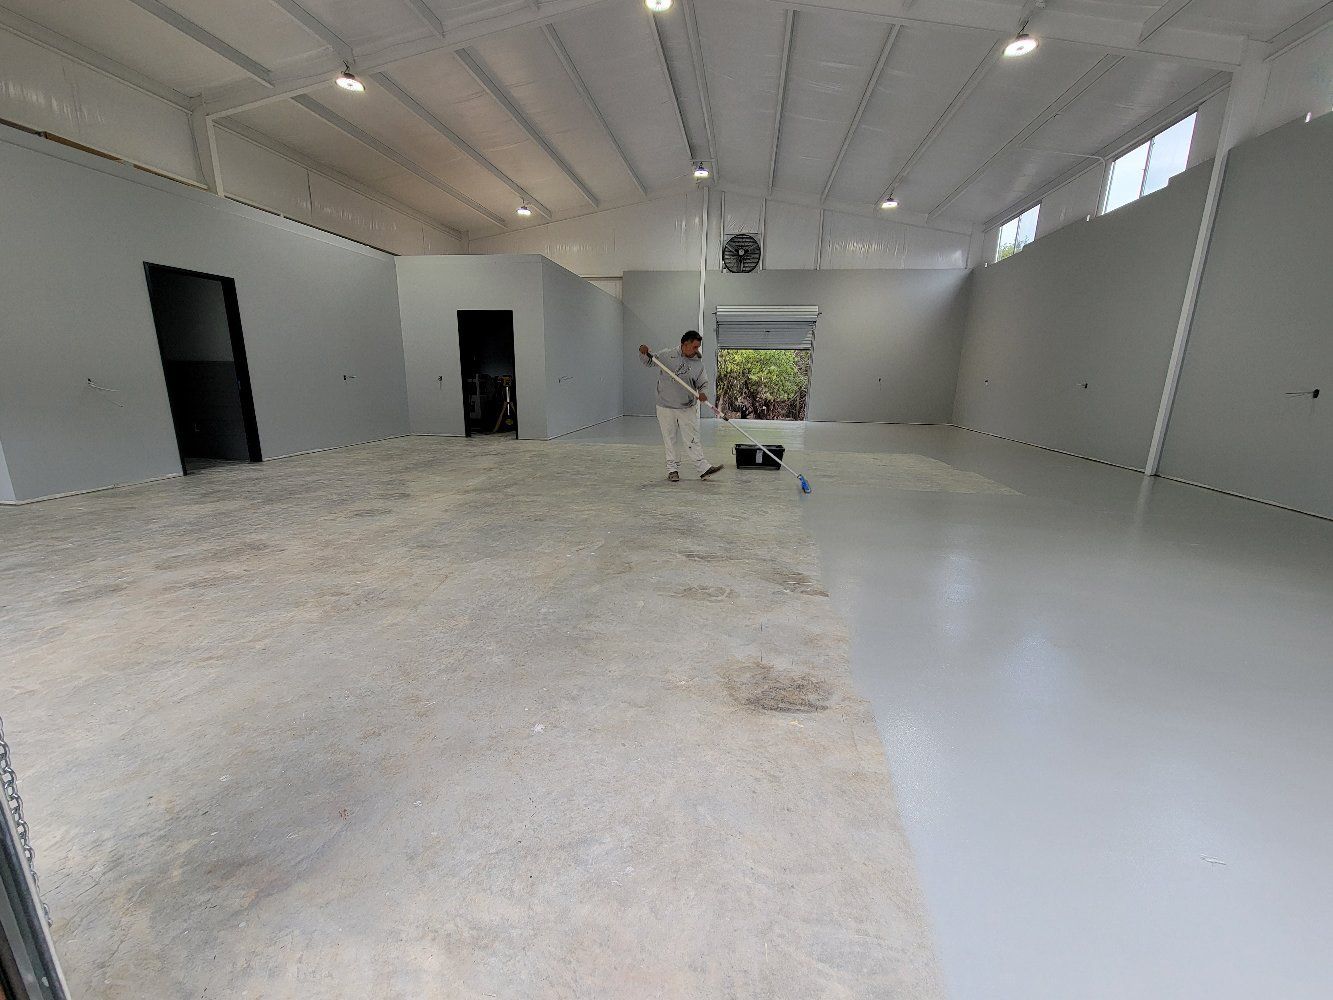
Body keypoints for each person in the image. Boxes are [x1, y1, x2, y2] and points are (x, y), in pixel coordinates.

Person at [639, 332, 724, 483]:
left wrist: (703, 393)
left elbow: (703, 383)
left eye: (698, 346)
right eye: (694, 346)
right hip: (665, 406)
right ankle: (672, 470)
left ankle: (703, 469)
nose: (697, 350)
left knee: (692, 438)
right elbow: (648, 362)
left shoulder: (698, 363)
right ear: (684, 344)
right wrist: (643, 352)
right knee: (669, 438)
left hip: (687, 406)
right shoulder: (667, 355)